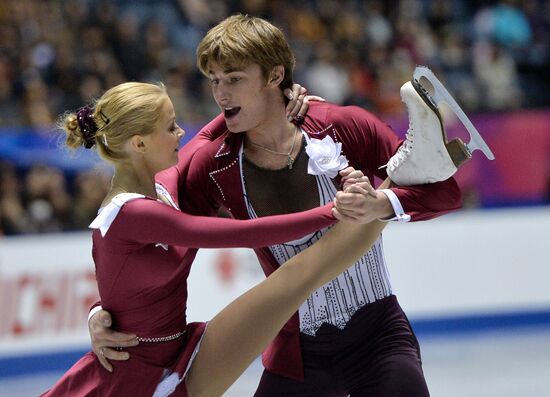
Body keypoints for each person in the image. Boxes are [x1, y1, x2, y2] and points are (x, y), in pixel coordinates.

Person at [89, 15, 463, 397]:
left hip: (380, 340)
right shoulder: (213, 166)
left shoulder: (343, 126)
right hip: (296, 358)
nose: (221, 94)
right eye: (214, 80)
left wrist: (381, 204)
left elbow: (445, 191)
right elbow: (148, 239)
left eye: (234, 79)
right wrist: (104, 310)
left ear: (274, 75)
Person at [41, 81, 392, 397]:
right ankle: (400, 178)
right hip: (137, 376)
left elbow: (210, 133)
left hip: (181, 351)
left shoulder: (164, 186)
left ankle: (403, 174)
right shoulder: (131, 214)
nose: (181, 132)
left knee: (299, 276)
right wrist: (333, 211)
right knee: (296, 277)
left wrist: (277, 98)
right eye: (170, 127)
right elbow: (244, 233)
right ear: (140, 143)